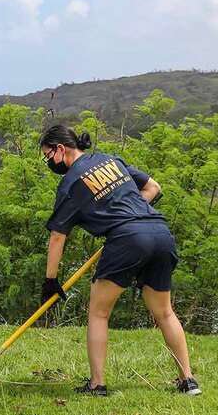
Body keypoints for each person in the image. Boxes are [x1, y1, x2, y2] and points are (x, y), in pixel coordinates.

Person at [38, 124, 201, 396]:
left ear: (60, 149)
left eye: (48, 155)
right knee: (164, 312)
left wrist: (50, 280)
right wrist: (129, 215)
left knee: (99, 313)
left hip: (127, 239)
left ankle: (97, 384)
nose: (48, 162)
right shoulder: (109, 160)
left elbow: (58, 235)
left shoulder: (70, 183)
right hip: (159, 232)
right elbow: (153, 188)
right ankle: (188, 381)